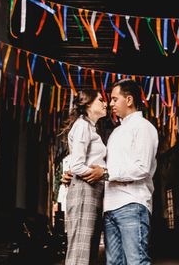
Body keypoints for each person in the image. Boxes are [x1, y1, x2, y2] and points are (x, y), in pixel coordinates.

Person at [83, 79, 159, 265]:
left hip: (132, 203)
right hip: (110, 207)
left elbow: (142, 168)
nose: (111, 104)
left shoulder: (143, 127)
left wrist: (106, 173)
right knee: (114, 263)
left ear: (130, 100)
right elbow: (100, 166)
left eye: (115, 99)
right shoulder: (116, 133)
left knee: (136, 261)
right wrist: (76, 173)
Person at [60, 90, 108, 265]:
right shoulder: (82, 126)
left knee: (88, 248)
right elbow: (77, 166)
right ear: (88, 104)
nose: (106, 104)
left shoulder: (90, 127)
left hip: (93, 189)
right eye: (101, 100)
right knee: (80, 250)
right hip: (85, 189)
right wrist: (101, 173)